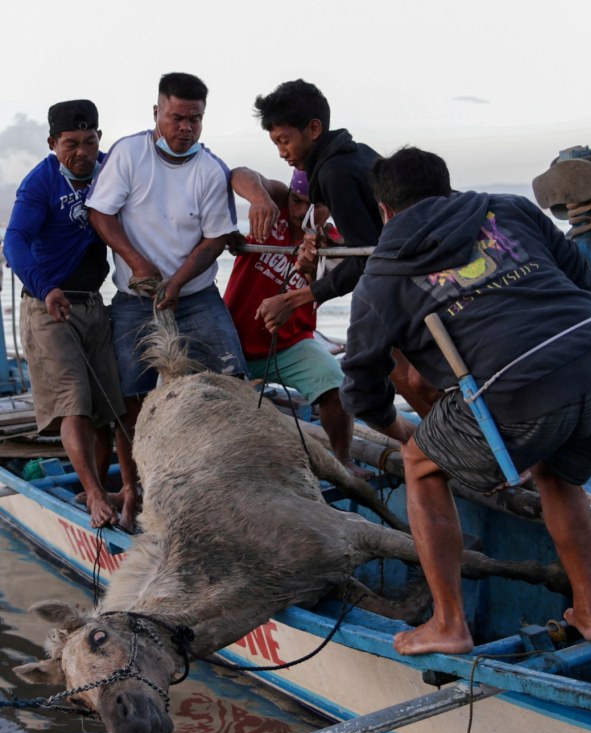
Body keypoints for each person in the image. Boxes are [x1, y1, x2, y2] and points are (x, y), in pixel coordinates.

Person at [339, 146, 591, 655]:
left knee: (419, 464)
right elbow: (583, 282)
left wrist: (401, 431)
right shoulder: (510, 210)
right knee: (559, 474)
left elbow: (361, 387)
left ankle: (449, 623)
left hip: (522, 399)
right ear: (446, 187)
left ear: (384, 210)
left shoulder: (380, 278)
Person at [86, 72, 273, 527]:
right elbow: (100, 213)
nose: (186, 127)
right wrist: (137, 262)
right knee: (129, 398)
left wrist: (178, 281)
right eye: (176, 117)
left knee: (231, 388)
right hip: (135, 298)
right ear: (157, 113)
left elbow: (215, 238)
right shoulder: (129, 154)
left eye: (195, 119)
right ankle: (133, 491)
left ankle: (225, 489)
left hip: (196, 297)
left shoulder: (210, 169)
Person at [253, 79, 437, 417]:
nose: (281, 152)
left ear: (313, 129)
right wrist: (335, 246)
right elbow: (373, 237)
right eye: (276, 143)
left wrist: (293, 300)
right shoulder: (357, 153)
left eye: (284, 140)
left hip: (414, 280)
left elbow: (367, 258)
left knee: (389, 362)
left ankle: (445, 434)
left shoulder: (334, 173)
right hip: (429, 270)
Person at [3, 99, 126, 530]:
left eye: (89, 141)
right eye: (70, 144)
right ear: (52, 143)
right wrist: (45, 287)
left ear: (99, 138)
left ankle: (103, 487)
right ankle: (94, 495)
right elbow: (15, 241)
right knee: (74, 404)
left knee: (106, 410)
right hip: (48, 306)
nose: (81, 152)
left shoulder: (111, 169)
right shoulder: (40, 183)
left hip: (92, 303)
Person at [224, 168, 367, 478]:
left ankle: (343, 459)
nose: (301, 212)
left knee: (335, 381)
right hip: (231, 341)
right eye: (297, 200)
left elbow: (336, 283)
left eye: (315, 206)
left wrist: (315, 265)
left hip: (289, 345)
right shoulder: (276, 208)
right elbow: (239, 174)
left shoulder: (339, 246)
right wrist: (259, 200)